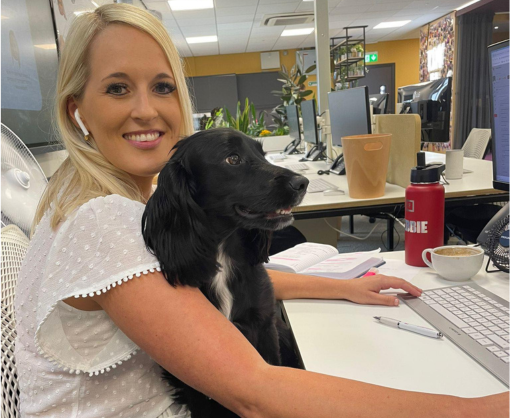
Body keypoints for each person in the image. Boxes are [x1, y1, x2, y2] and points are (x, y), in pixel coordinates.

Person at [14, 4, 508, 418]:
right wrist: (480, 409)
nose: (146, 110)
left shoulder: (96, 199)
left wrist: (344, 289)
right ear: (76, 107)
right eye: (118, 88)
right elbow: (254, 392)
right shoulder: (103, 221)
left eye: (162, 87)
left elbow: (210, 279)